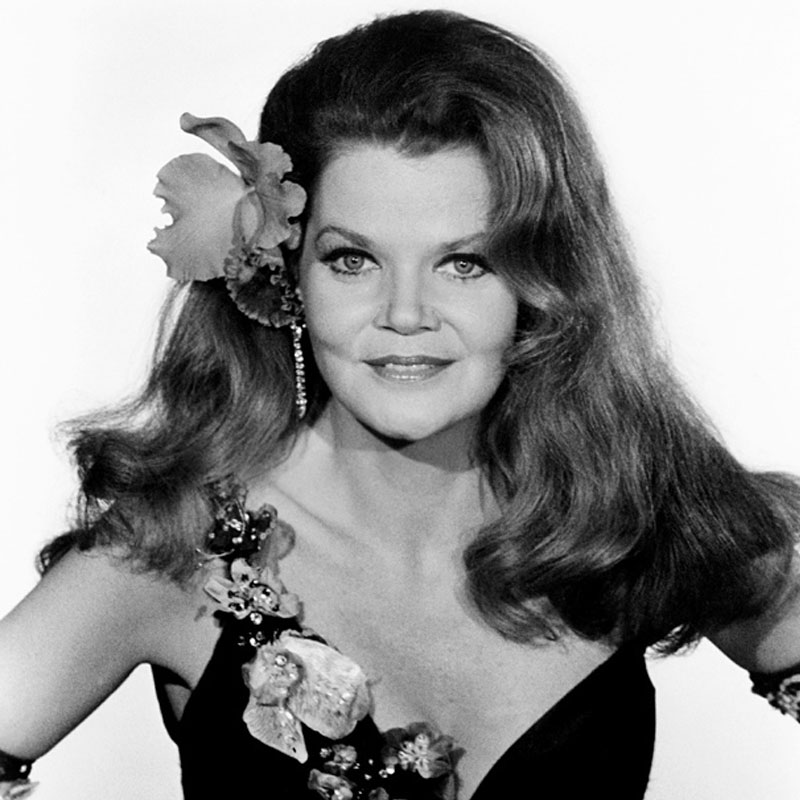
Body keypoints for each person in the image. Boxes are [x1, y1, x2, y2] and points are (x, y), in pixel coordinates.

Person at [0, 9, 798, 800]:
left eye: (465, 263)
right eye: (353, 260)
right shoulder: (171, 553)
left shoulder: (637, 518)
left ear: (541, 282)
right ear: (287, 275)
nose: (406, 314)